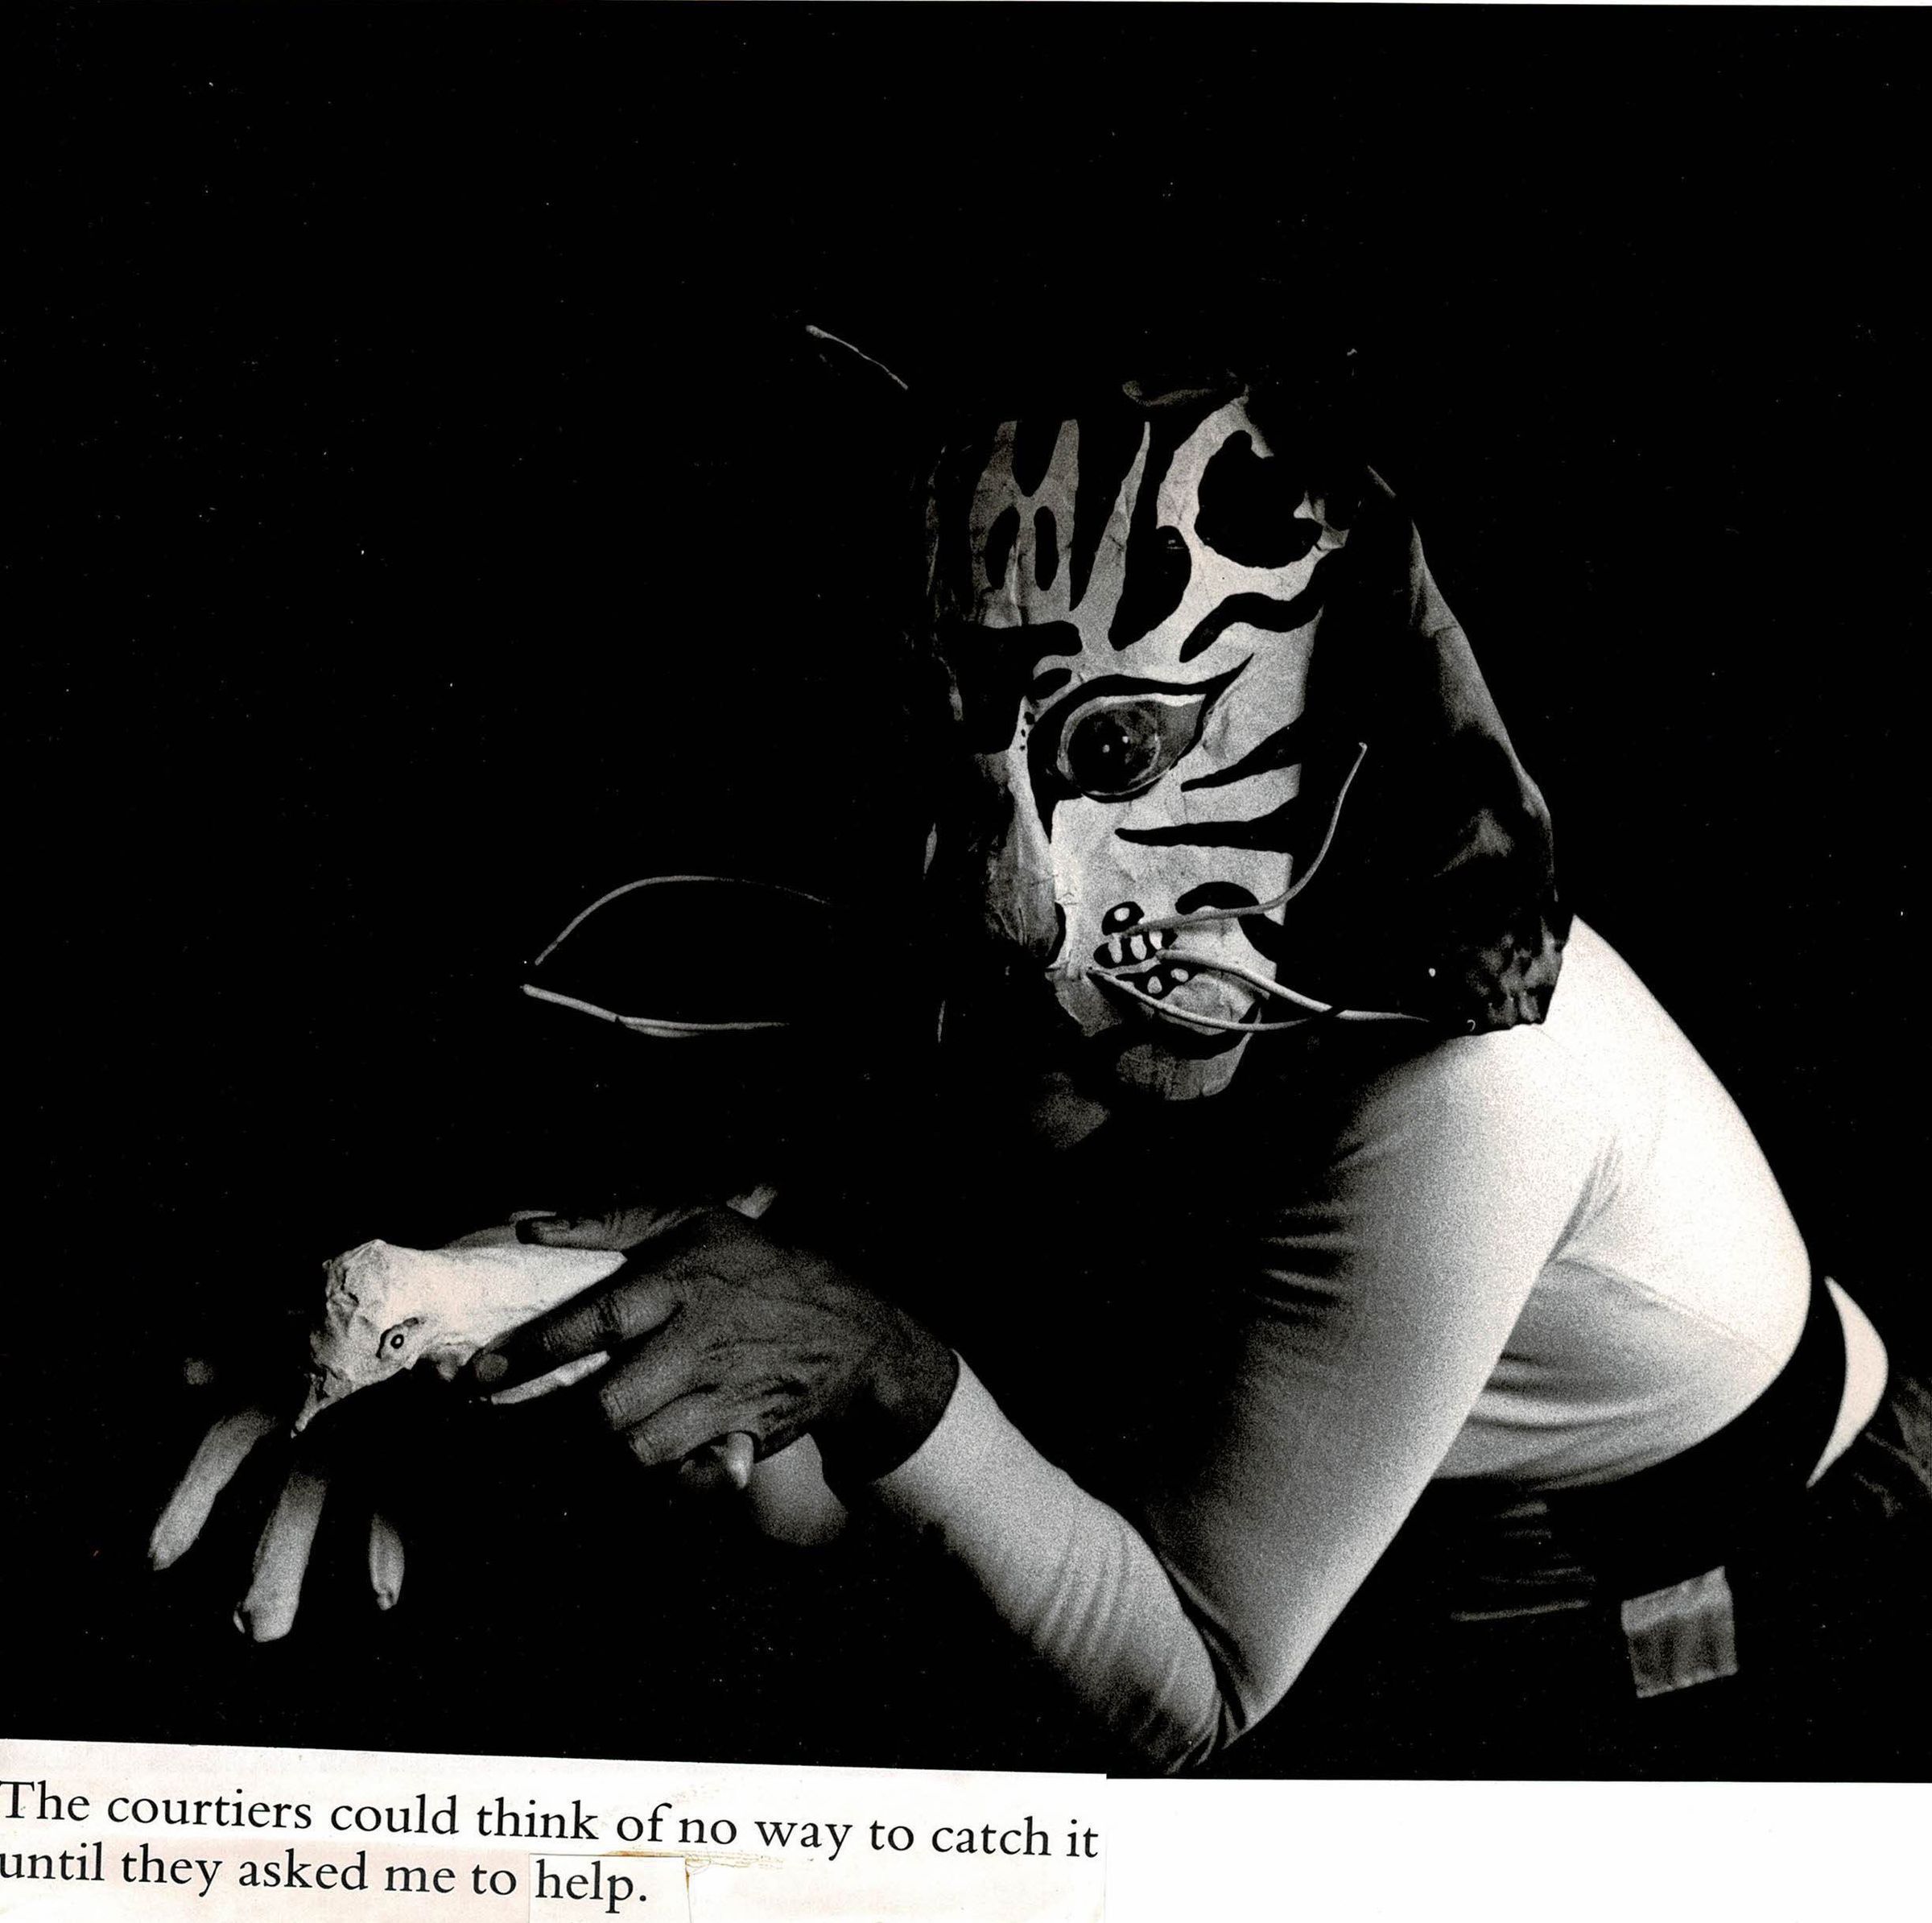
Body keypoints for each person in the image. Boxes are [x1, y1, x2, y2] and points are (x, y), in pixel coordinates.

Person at [155, 365, 1930, 1777]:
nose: (1012, 905)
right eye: (965, 756)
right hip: (1368, 1553)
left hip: (1728, 1590)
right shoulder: (1034, 926)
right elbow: (836, 1342)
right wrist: (451, 1339)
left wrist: (872, 1362)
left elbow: (1193, 1685)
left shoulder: (1473, 1089)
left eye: (1125, 746)